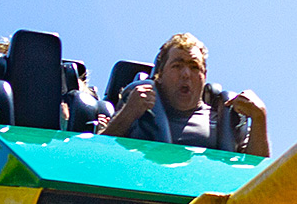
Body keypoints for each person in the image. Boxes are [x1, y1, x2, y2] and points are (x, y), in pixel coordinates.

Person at [101, 33, 268, 156]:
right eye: (177, 66)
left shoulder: (225, 120)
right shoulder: (136, 110)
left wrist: (259, 118)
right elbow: (99, 156)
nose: (186, 74)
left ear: (204, 76)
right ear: (160, 75)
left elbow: (259, 175)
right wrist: (128, 114)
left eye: (194, 67)